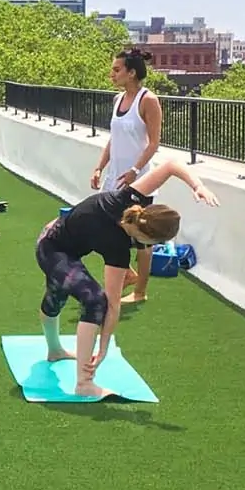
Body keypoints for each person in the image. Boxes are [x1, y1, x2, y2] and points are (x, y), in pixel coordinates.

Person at [36, 158, 218, 399]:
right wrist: (101, 349)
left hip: (63, 246)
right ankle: (84, 384)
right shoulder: (118, 242)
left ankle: (55, 351)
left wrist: (198, 186)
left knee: (57, 296)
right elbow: (110, 303)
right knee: (92, 299)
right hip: (50, 247)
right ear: (146, 235)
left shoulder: (130, 201)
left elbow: (171, 166)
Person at [91, 47, 162, 305]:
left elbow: (154, 143)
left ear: (131, 73)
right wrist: (99, 166)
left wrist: (134, 170)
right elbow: (114, 138)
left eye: (117, 69)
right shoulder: (117, 100)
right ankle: (128, 274)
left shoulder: (148, 100)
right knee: (103, 228)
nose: (112, 74)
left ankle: (140, 291)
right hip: (115, 178)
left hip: (140, 180)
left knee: (142, 239)